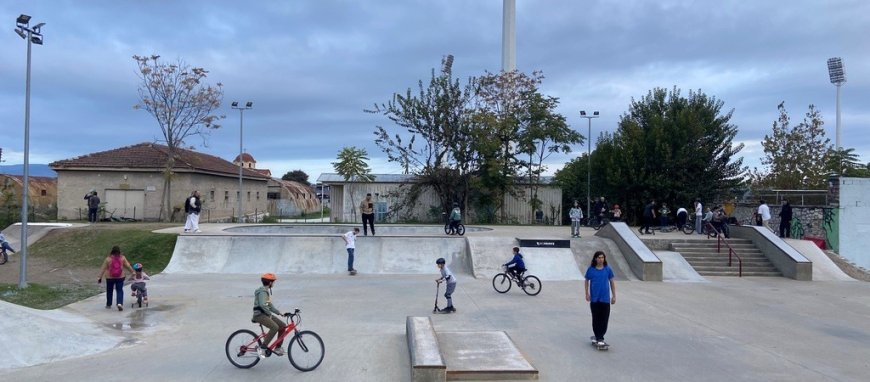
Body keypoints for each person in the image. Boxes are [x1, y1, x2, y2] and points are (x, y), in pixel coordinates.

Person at [253, 272, 288, 358]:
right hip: (259, 315)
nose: (274, 283)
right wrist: (269, 314)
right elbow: (262, 304)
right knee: (275, 327)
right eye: (273, 282)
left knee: (283, 326)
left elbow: (269, 305)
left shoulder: (265, 292)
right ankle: (262, 348)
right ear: (270, 283)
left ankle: (278, 347)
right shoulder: (262, 292)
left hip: (265, 314)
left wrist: (279, 313)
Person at [585, 251, 616, 347]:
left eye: (602, 257)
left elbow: (612, 282)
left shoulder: (607, 270)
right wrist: (587, 293)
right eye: (599, 257)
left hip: (605, 299)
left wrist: (614, 295)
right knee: (596, 318)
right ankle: (599, 337)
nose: (601, 259)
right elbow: (586, 281)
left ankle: (600, 336)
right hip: (594, 299)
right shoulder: (591, 270)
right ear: (595, 259)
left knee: (604, 319)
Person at [97, 245, 135, 311]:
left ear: (112, 251)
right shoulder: (122, 258)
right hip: (120, 277)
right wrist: (133, 272)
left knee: (109, 291)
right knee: (119, 290)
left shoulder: (108, 259)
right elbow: (128, 266)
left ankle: (109, 304)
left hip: (109, 278)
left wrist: (99, 277)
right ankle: (119, 303)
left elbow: (103, 269)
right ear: (119, 251)